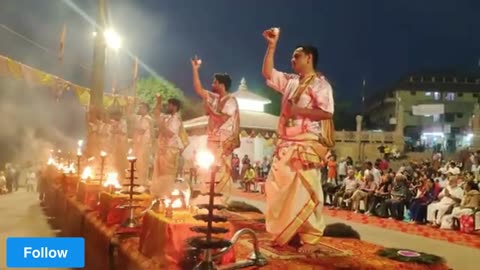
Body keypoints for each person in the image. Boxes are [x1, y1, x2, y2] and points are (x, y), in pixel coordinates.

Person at [262, 27, 334, 253]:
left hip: (305, 143)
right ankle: (288, 232)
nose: (292, 60)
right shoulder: (291, 81)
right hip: (285, 144)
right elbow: (268, 73)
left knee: (306, 188)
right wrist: (271, 46)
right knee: (276, 188)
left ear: (309, 58)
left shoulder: (320, 84)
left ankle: (310, 238)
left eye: (296, 56)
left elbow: (327, 112)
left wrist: (298, 112)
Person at [191, 56, 240, 203]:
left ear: (222, 85)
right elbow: (198, 89)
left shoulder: (231, 101)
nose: (212, 84)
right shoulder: (214, 98)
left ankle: (221, 203)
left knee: (220, 172)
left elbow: (222, 118)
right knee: (207, 170)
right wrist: (195, 69)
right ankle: (206, 200)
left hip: (223, 143)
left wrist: (209, 109)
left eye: (215, 82)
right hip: (212, 140)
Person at [151, 97, 186, 198]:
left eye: (169, 105)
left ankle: (165, 195)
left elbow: (169, 133)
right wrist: (158, 102)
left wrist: (161, 126)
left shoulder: (176, 119)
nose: (167, 106)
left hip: (170, 151)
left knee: (167, 174)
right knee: (159, 172)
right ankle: (157, 194)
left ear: (175, 107)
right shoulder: (167, 117)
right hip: (162, 149)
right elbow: (156, 114)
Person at [132, 102, 153, 187]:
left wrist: (135, 129)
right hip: (138, 143)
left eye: (141, 108)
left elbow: (141, 130)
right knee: (136, 162)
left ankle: (142, 182)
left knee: (142, 163)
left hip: (144, 144)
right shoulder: (139, 118)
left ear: (146, 109)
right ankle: (137, 180)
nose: (139, 109)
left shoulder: (148, 119)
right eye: (139, 107)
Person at [109, 110, 128, 177]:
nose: (115, 117)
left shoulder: (123, 122)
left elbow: (123, 131)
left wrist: (116, 131)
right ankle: (116, 172)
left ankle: (123, 173)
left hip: (122, 143)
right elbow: (111, 131)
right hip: (115, 143)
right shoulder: (114, 122)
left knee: (122, 158)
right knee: (115, 159)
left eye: (116, 115)